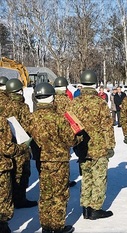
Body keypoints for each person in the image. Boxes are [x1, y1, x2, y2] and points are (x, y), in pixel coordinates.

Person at [28, 82, 78, 233]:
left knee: (45, 194)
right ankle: (57, 226)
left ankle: (46, 225)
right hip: (59, 161)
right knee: (59, 194)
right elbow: (71, 140)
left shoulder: (31, 118)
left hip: (42, 161)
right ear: (52, 98)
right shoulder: (59, 119)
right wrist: (79, 138)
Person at [71, 70, 115, 220]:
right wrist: (110, 146)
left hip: (82, 148)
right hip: (99, 147)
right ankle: (95, 208)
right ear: (94, 84)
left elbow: (70, 126)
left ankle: (85, 208)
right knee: (99, 178)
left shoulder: (74, 103)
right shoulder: (101, 103)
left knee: (86, 177)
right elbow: (107, 127)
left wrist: (75, 146)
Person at [5, 79, 38, 209]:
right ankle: (20, 199)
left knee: (10, 173)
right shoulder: (22, 106)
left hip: (6, 145)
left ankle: (9, 199)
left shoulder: (3, 105)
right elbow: (27, 125)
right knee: (22, 172)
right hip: (21, 144)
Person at [0, 112, 32, 233]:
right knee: (3, 202)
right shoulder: (1, 121)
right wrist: (24, 146)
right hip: (1, 168)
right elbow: (7, 148)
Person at [54, 77, 77, 187]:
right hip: (64, 133)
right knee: (64, 159)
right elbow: (72, 117)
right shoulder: (67, 100)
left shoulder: (51, 99)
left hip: (51, 133)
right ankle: (64, 181)